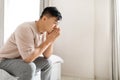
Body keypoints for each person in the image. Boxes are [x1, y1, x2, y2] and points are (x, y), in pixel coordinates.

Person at [0, 6, 62, 80]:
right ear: (44, 18)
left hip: (21, 60)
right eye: (55, 23)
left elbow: (47, 55)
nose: (56, 27)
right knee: (29, 67)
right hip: (5, 61)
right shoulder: (26, 28)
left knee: (47, 63)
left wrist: (51, 39)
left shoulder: (45, 32)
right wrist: (49, 40)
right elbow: (28, 59)